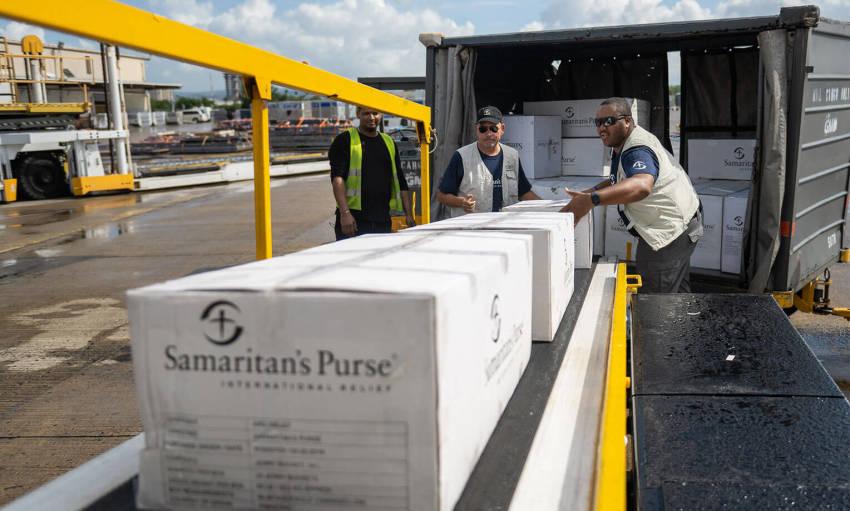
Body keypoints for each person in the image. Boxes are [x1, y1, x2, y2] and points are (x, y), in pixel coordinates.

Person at [561, 97, 703, 293]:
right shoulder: (623, 144)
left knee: (654, 301)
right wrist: (589, 193)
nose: (602, 128)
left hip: (670, 232)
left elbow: (642, 185)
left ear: (627, 121)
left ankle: (658, 324)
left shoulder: (637, 149)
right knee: (676, 295)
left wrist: (592, 201)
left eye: (609, 121)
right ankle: (682, 322)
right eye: (598, 122)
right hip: (681, 224)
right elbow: (619, 179)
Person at [329, 106, 415, 239]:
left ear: (381, 115)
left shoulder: (389, 142)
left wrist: (409, 215)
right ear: (358, 114)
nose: (371, 118)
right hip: (354, 220)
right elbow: (337, 179)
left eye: (375, 113)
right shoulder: (345, 140)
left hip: (383, 219)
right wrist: (345, 213)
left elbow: (400, 180)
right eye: (366, 113)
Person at [436, 106, 540, 216]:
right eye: (483, 129)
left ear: (502, 129)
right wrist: (461, 202)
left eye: (494, 129)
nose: (489, 134)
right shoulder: (461, 157)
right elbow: (441, 195)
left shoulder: (512, 156)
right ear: (476, 129)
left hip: (506, 226)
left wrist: (551, 209)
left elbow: (524, 193)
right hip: (472, 229)